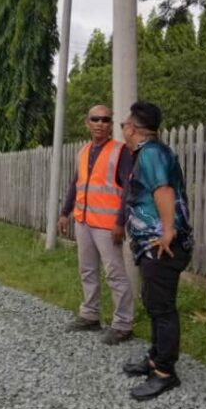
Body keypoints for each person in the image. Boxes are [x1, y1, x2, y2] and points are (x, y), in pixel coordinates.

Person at [119, 101, 193, 401]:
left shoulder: (150, 153)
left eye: (124, 124)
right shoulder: (148, 153)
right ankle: (155, 357)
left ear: (133, 128)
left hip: (162, 245)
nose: (122, 128)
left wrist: (167, 231)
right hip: (151, 245)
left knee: (162, 308)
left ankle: (165, 372)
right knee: (153, 301)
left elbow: (163, 190)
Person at [59, 105, 135, 346]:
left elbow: (128, 190)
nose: (100, 123)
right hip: (83, 221)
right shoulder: (83, 152)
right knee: (87, 270)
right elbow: (76, 183)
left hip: (107, 225)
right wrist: (65, 212)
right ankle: (90, 314)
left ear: (111, 124)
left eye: (105, 119)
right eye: (96, 119)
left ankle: (123, 324)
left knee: (115, 273)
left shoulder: (120, 151)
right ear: (87, 122)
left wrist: (120, 222)